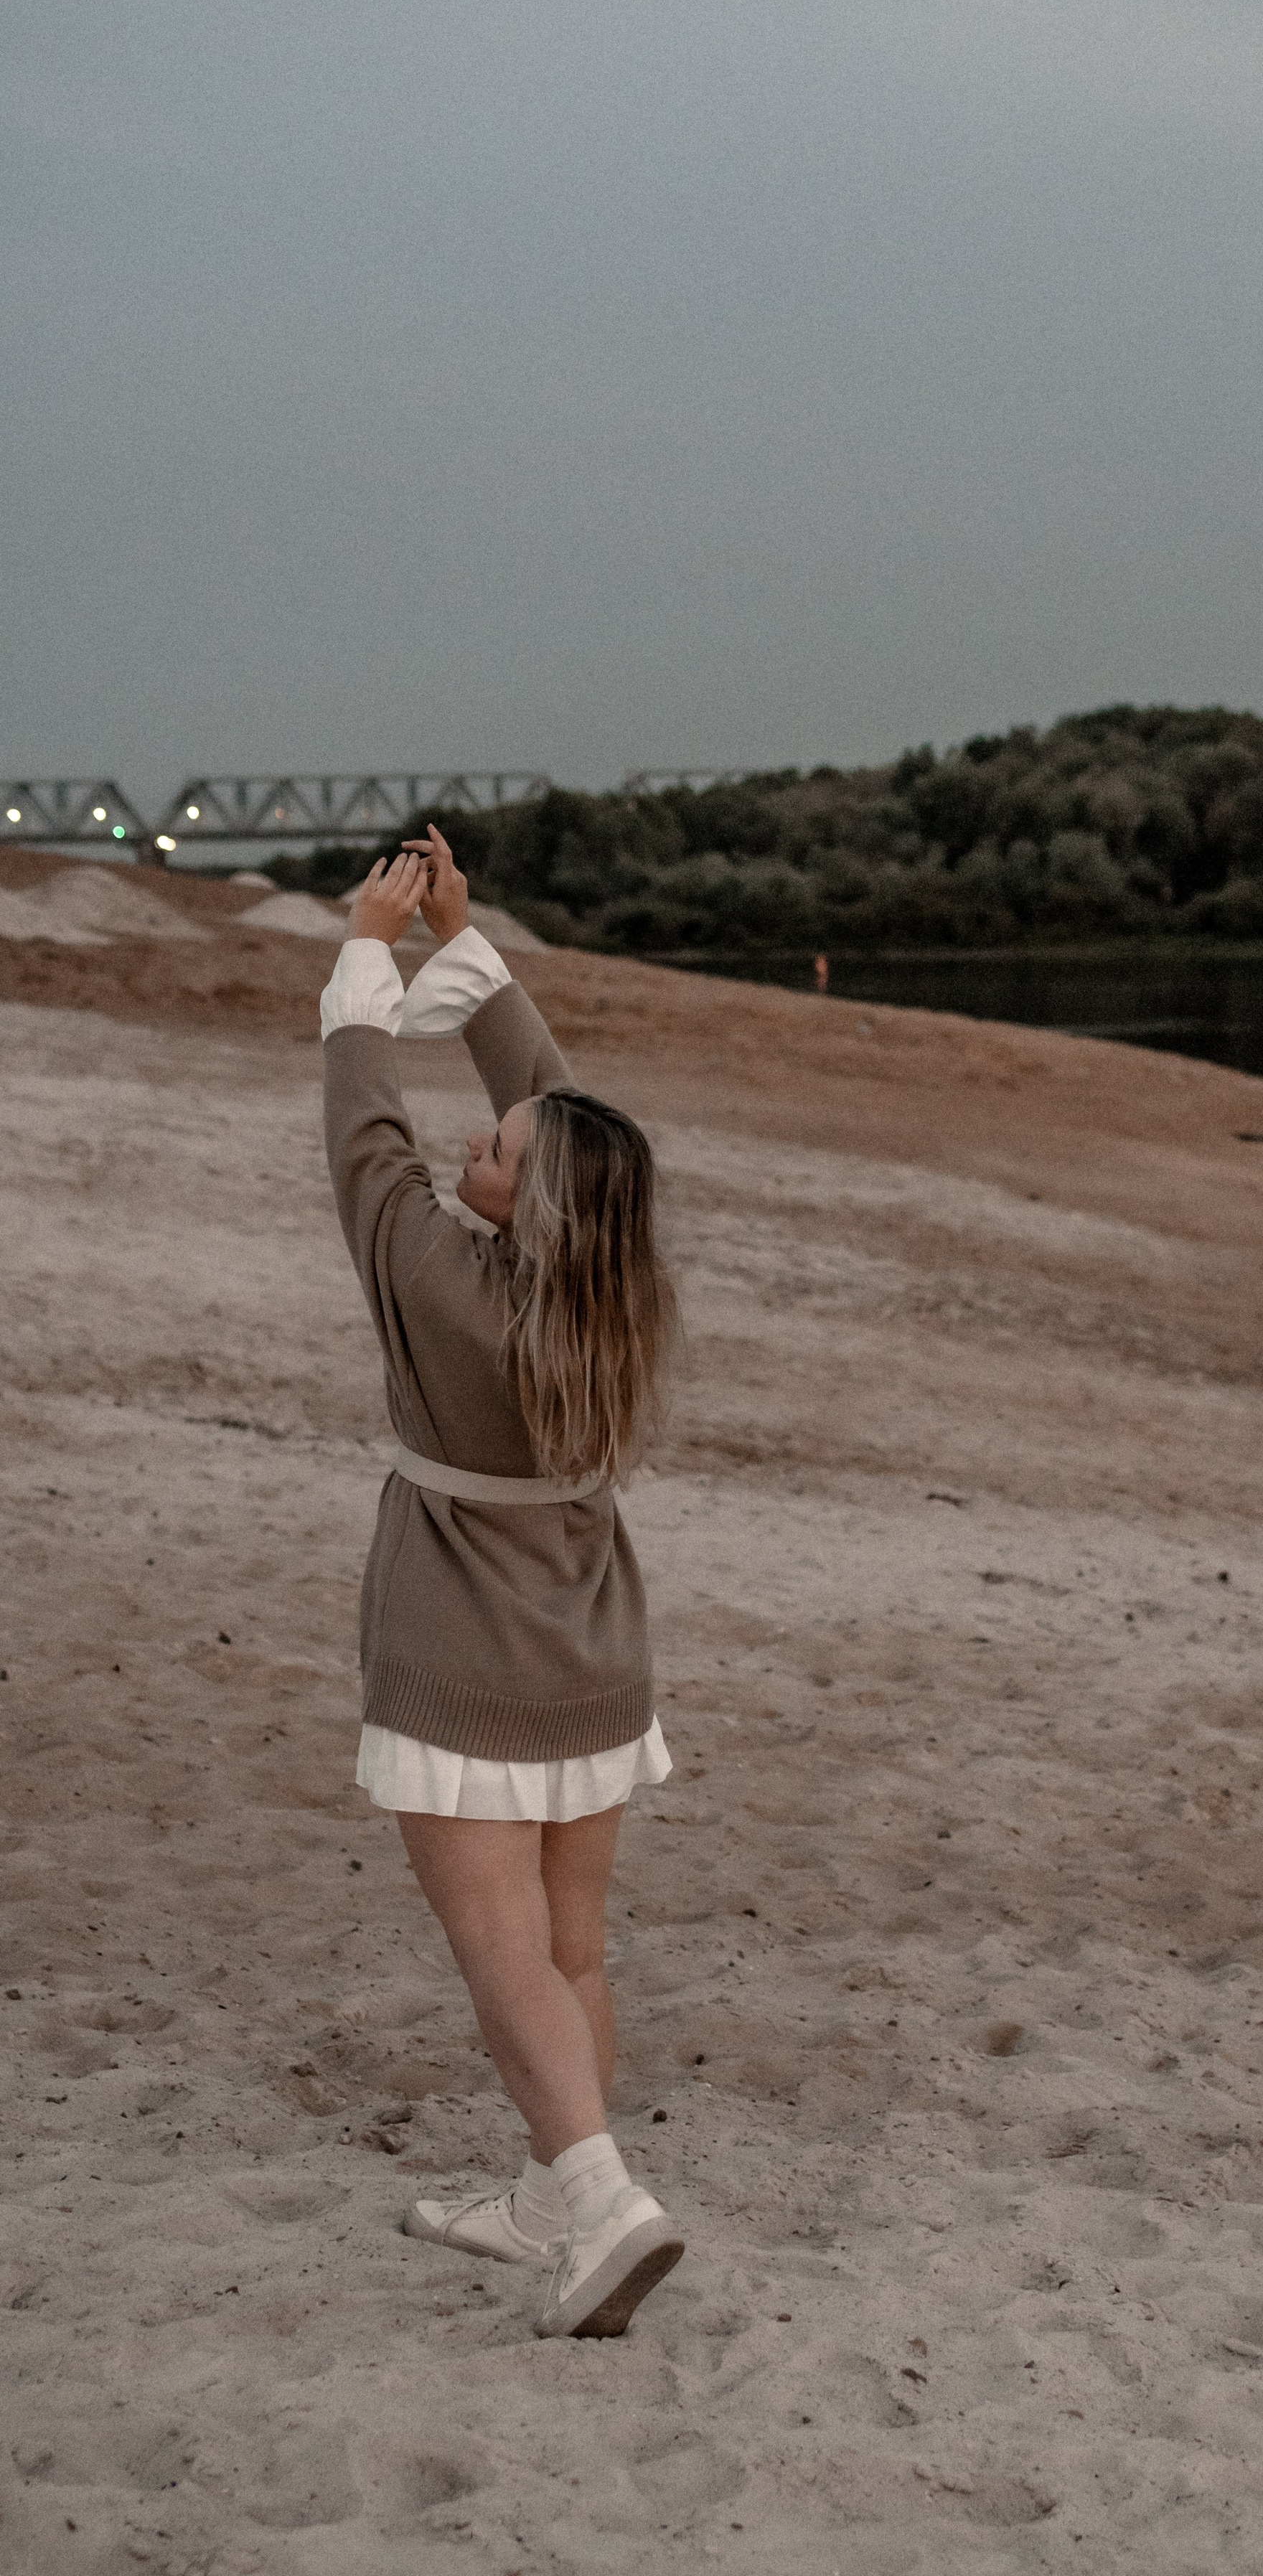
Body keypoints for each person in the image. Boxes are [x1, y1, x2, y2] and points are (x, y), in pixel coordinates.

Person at [320, 823, 683, 2340]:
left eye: (497, 1158)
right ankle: (553, 2192)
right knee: (572, 1947)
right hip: (594, 1654)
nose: (480, 1146)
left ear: (522, 1207)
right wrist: (468, 963)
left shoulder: (440, 1279)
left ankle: (598, 2205)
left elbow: (361, 1129)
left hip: (462, 1652)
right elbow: (560, 1117)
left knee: (497, 1954)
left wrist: (364, 951)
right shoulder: (617, 1292)